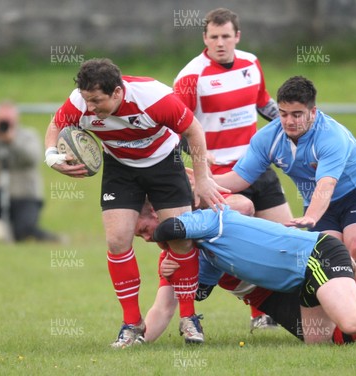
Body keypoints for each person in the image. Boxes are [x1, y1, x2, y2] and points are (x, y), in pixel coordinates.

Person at [44, 58, 226, 348]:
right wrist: (52, 156)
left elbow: (194, 130)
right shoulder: (80, 101)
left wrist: (202, 180)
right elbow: (57, 124)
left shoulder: (154, 98)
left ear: (117, 92)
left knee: (180, 239)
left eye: (97, 101)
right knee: (117, 240)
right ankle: (132, 324)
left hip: (165, 163)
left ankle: (189, 318)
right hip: (120, 167)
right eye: (87, 100)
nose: (89, 108)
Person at [152, 206, 356, 349]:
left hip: (318, 254)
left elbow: (169, 229)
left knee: (352, 320)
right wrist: (175, 268)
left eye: (144, 230)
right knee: (331, 339)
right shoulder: (205, 255)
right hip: (301, 281)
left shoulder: (208, 219)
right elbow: (198, 293)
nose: (145, 237)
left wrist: (162, 241)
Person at [214, 76, 356, 310]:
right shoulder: (268, 138)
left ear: (312, 112)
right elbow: (239, 179)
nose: (289, 121)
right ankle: (352, 315)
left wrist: (312, 216)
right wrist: (204, 181)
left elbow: (326, 185)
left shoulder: (331, 136)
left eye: (297, 114)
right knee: (332, 260)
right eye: (283, 114)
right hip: (316, 200)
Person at [174, 7, 293, 330]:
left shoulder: (251, 63)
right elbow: (177, 129)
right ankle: (258, 313)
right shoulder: (191, 76)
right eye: (214, 37)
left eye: (226, 36)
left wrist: (298, 124)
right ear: (205, 38)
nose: (221, 43)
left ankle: (299, 306)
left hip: (257, 167)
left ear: (237, 36)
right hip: (219, 178)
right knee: (244, 246)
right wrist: (200, 156)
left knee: (287, 237)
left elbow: (264, 103)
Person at [0, 101, 59, 244]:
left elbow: (33, 158)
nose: (5, 124)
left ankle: (46, 238)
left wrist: (12, 142)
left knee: (24, 232)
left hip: (25, 196)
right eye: (2, 120)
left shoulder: (28, 136)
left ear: (17, 119)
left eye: (9, 119)